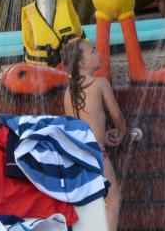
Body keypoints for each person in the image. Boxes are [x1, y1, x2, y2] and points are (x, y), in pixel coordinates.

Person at [61, 38, 126, 231]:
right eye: (92, 51)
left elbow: (81, 125)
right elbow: (116, 115)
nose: (98, 52)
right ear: (82, 63)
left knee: (86, 204)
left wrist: (101, 134)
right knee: (113, 200)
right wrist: (122, 131)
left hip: (75, 154)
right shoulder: (100, 83)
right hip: (96, 152)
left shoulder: (68, 92)